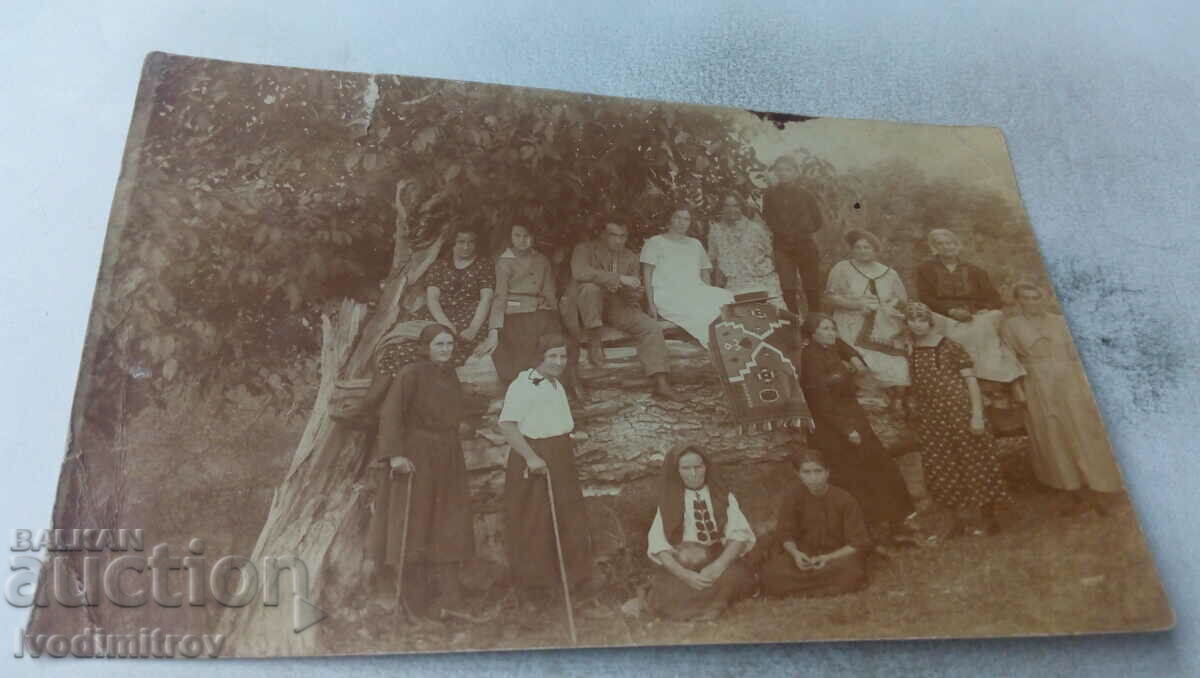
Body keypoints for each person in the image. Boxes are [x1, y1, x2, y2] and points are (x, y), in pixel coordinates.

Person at [366, 324, 474, 618]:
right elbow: (391, 414)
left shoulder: (450, 375)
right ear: (425, 347)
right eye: (439, 344)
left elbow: (454, 410)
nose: (445, 349)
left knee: (449, 520)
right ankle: (412, 604)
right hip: (417, 455)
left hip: (448, 455)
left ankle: (449, 602)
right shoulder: (410, 373)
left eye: (449, 344)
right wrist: (395, 454)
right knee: (414, 523)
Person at [498, 333, 597, 620]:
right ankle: (534, 593)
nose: (558, 362)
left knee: (569, 519)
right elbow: (507, 425)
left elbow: (549, 420)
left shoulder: (556, 385)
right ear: (539, 356)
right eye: (552, 356)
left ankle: (573, 588)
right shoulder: (523, 385)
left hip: (560, 456)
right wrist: (531, 457)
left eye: (563, 356)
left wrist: (569, 436)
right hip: (534, 459)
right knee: (534, 524)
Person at [1001, 283, 1124, 514]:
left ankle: (1101, 487)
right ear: (1019, 301)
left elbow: (1079, 353)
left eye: (1036, 297)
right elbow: (1009, 358)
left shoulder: (1059, 321)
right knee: (1052, 435)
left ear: (1044, 299)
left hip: (1071, 381)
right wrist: (1017, 388)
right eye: (1026, 298)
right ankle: (1073, 492)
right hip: (1037, 382)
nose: (1032, 302)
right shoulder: (1012, 326)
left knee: (1083, 431)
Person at [796, 314, 917, 544]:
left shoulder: (830, 347)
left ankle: (896, 523)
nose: (832, 333)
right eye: (826, 329)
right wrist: (847, 430)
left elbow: (844, 346)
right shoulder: (810, 359)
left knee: (881, 468)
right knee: (854, 478)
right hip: (833, 429)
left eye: (833, 328)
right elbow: (820, 401)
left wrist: (855, 359)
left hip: (853, 418)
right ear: (812, 334)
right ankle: (866, 533)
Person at [905, 302, 1010, 539]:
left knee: (975, 461)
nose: (917, 324)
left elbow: (971, 381)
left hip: (960, 411)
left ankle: (988, 519)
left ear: (930, 321)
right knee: (943, 466)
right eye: (911, 320)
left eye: (921, 319)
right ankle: (958, 522)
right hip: (933, 417)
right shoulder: (910, 350)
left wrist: (976, 415)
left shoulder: (950, 346)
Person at [560, 221, 683, 401]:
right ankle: (595, 339)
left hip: (615, 305)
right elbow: (580, 273)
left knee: (650, 327)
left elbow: (630, 293)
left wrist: (635, 291)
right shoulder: (584, 249)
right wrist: (618, 278)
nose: (618, 241)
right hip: (583, 307)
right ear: (603, 234)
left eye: (622, 236)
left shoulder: (630, 257)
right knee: (590, 289)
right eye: (613, 235)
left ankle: (661, 382)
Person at [645, 444, 757, 621]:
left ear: (706, 467)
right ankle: (711, 606)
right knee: (667, 589)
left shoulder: (722, 496)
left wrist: (717, 566)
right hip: (684, 562)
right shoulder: (668, 501)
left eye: (698, 466)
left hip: (718, 557)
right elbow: (660, 547)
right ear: (676, 471)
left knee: (735, 578)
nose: (693, 473)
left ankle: (707, 606)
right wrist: (686, 575)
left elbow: (739, 536)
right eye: (686, 468)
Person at [376, 226, 495, 374]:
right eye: (461, 241)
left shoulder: (484, 265)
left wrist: (473, 328)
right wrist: (444, 323)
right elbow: (433, 298)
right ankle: (391, 392)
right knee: (398, 349)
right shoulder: (440, 265)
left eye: (471, 242)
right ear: (452, 243)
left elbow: (486, 298)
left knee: (443, 351)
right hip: (437, 315)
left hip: (468, 318)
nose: (466, 246)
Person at [916, 229, 1025, 385]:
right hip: (942, 313)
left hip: (973, 314)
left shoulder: (975, 270)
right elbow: (925, 297)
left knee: (987, 323)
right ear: (934, 247)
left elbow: (994, 298)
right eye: (940, 244)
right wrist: (950, 311)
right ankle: (955, 376)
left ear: (957, 245)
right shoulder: (925, 269)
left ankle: (990, 377)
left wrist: (984, 309)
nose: (947, 247)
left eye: (950, 243)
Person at [480, 224, 577, 393]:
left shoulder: (541, 260)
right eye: (517, 236)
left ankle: (560, 388)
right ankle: (527, 390)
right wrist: (494, 329)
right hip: (515, 313)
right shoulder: (504, 262)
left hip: (541, 310)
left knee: (560, 341)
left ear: (533, 237)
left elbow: (549, 291)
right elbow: (500, 297)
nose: (522, 240)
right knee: (524, 347)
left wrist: (555, 315)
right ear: (511, 237)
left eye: (526, 236)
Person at [760, 449, 871, 598]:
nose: (813, 478)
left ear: (827, 472)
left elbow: (857, 543)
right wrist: (796, 555)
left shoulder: (845, 499)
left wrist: (827, 558)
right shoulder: (793, 496)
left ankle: (803, 590)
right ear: (799, 474)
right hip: (805, 556)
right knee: (770, 574)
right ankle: (825, 589)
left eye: (818, 471)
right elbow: (785, 534)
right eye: (807, 472)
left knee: (852, 572)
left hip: (836, 556)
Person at [824, 229, 910, 411]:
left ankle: (894, 397)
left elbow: (902, 300)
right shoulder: (842, 268)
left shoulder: (889, 273)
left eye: (867, 247)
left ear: (876, 250)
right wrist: (856, 305)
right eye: (858, 247)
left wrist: (890, 305)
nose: (863, 251)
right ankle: (866, 395)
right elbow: (831, 297)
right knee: (858, 355)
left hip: (884, 322)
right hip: (850, 318)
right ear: (852, 250)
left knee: (895, 356)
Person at [640, 206, 735, 348]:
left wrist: (707, 292)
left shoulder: (695, 244)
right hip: (668, 294)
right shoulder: (655, 242)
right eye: (677, 217)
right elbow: (647, 275)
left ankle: (727, 341)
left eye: (686, 219)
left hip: (694, 290)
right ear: (669, 220)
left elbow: (704, 271)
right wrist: (651, 304)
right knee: (699, 311)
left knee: (724, 297)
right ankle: (714, 344)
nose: (682, 222)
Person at [762, 155, 825, 314]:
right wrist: (783, 233)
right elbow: (768, 218)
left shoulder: (805, 195)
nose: (783, 173)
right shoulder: (769, 195)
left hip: (804, 245)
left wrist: (801, 232)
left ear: (795, 172)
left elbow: (818, 221)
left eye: (788, 170)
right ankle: (794, 324)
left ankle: (815, 323)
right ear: (775, 172)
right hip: (782, 247)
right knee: (787, 288)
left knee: (811, 286)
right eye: (780, 170)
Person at [707, 193, 785, 307]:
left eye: (735, 205)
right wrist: (716, 288)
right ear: (721, 208)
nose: (731, 210)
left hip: (763, 281)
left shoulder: (756, 229)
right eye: (727, 206)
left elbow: (771, 255)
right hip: (735, 283)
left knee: (778, 316)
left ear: (742, 208)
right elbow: (714, 261)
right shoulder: (715, 232)